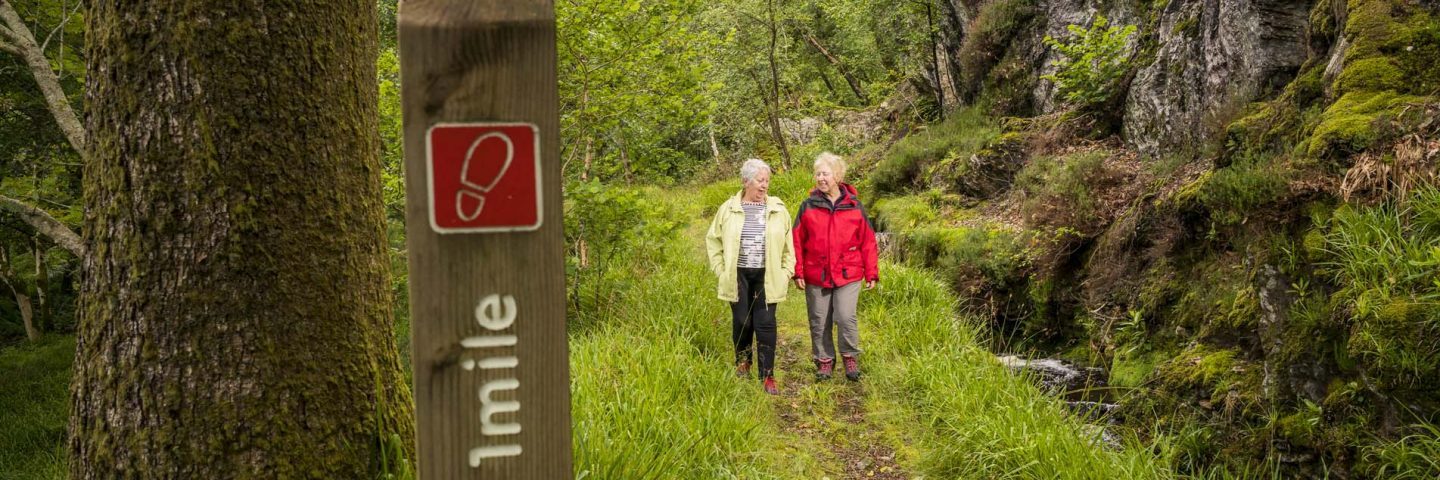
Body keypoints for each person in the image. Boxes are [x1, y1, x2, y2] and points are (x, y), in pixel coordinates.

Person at [706, 158, 795, 395]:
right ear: (746, 181)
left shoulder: (778, 209)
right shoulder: (728, 208)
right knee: (742, 322)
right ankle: (742, 363)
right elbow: (713, 240)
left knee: (766, 324)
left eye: (767, 180)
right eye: (760, 180)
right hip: (738, 275)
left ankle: (767, 375)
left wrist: (786, 273)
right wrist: (720, 269)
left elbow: (789, 247)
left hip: (768, 275)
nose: (765, 185)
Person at [792, 152, 878, 382]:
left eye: (825, 173)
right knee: (819, 319)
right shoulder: (807, 206)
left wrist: (871, 272)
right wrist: (798, 270)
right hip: (816, 273)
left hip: (848, 273)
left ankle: (850, 356)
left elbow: (868, 241)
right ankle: (824, 361)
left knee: (845, 316)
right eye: (818, 174)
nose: (820, 178)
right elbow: (796, 240)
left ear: (837, 176)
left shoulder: (854, 206)